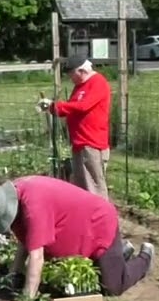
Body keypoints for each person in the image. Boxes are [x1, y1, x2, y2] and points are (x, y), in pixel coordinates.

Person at [0, 175, 153, 301]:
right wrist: (14, 273)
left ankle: (145, 257)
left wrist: (25, 300)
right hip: (80, 225)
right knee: (101, 272)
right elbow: (27, 239)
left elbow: (36, 257)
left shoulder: (34, 207)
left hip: (99, 223)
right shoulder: (17, 194)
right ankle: (120, 253)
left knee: (113, 286)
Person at [37, 56, 112, 199]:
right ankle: (85, 217)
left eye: (72, 74)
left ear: (82, 71)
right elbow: (70, 109)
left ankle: (100, 217)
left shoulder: (98, 83)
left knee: (94, 187)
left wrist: (55, 105)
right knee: (81, 186)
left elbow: (82, 106)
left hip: (91, 143)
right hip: (79, 142)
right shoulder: (80, 86)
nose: (70, 77)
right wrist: (52, 108)